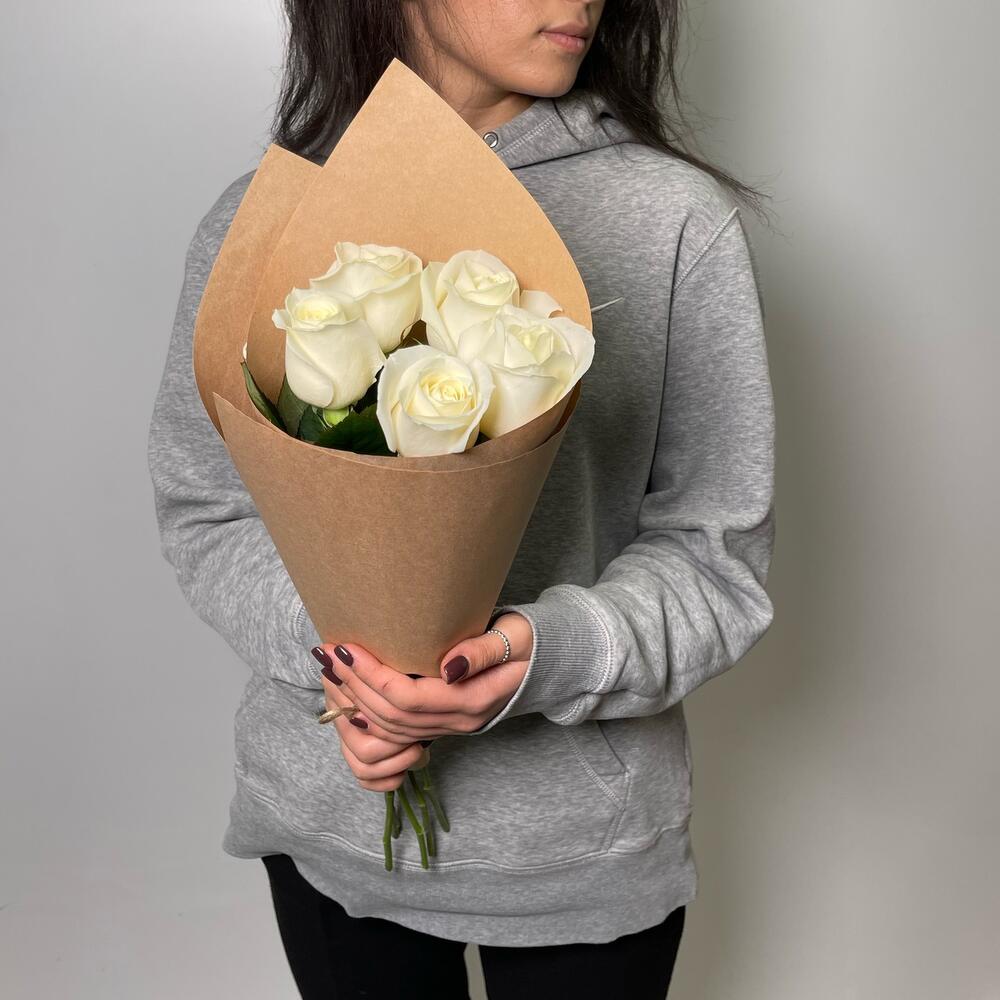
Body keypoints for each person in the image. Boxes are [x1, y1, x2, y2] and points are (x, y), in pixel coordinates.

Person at [147, 0, 776, 996]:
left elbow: (716, 560)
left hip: (581, 858)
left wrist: (543, 652)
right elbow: (207, 507)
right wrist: (346, 663)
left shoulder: (673, 219)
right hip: (331, 838)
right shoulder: (264, 220)